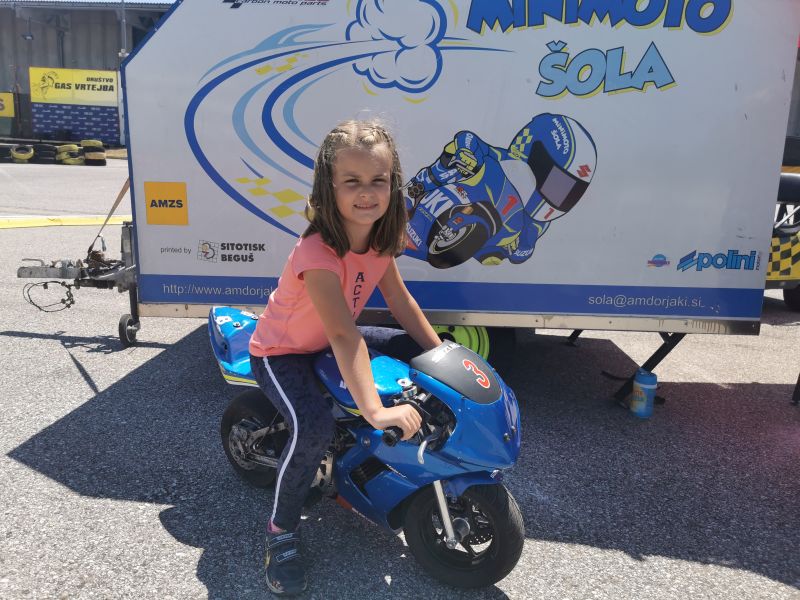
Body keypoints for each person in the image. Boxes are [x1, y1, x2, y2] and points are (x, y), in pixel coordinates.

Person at [248, 120, 442, 596]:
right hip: (282, 352)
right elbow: (342, 332)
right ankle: (281, 532)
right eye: (351, 181)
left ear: (393, 185)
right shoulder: (317, 252)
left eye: (378, 180)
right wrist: (375, 410)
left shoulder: (378, 242)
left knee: (411, 353)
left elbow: (401, 303)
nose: (366, 192)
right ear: (328, 187)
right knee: (313, 426)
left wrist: (441, 354)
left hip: (328, 343)